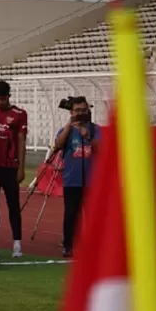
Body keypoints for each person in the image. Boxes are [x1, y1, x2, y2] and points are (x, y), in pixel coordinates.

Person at [0, 80, 27, 259]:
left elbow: (22, 141)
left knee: (13, 206)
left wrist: (21, 168)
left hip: (10, 166)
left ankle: (17, 244)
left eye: (3, 98)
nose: (0, 102)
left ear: (9, 96)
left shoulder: (19, 114)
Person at [53, 98, 100, 258]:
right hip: (72, 179)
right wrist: (69, 126)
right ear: (72, 112)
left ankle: (94, 244)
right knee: (71, 214)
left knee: (93, 214)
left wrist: (87, 137)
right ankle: (68, 244)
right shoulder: (66, 130)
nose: (80, 113)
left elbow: (102, 148)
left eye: (83, 110)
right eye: (77, 110)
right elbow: (58, 144)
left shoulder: (94, 129)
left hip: (92, 180)